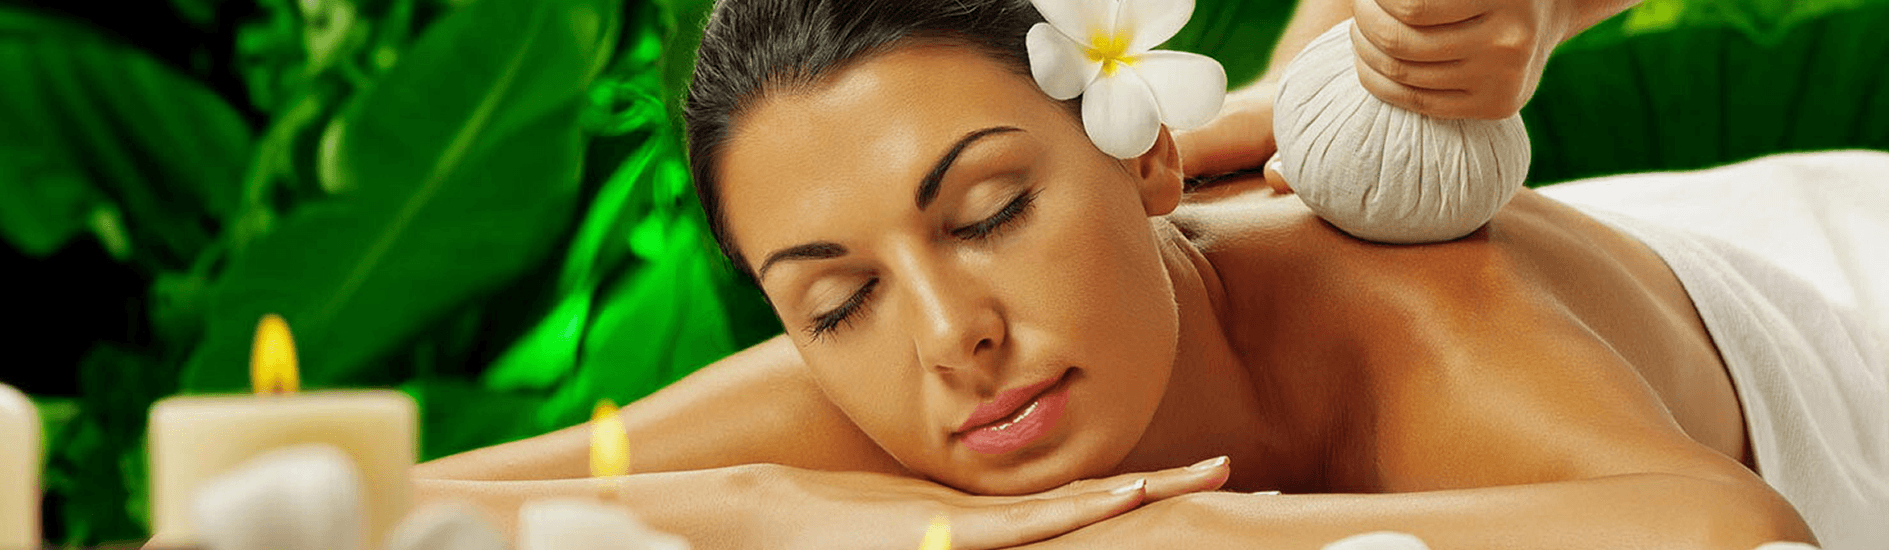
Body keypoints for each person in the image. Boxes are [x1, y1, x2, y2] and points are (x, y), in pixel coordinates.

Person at [412, 0, 1889, 548]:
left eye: (989, 210)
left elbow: (1730, 534)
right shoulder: (902, 388)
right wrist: (770, 506)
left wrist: (1183, 539)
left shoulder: (1415, 330)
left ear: (1150, 161)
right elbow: (280, 518)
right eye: (835, 299)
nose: (947, 334)